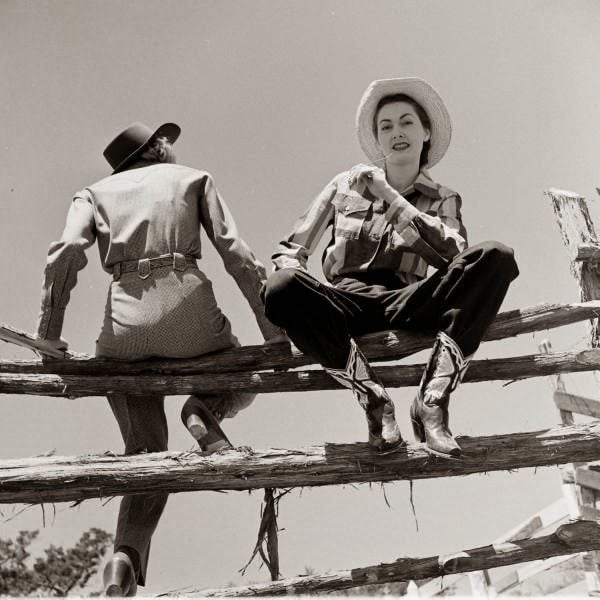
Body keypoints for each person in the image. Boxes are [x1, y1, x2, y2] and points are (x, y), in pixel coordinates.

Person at [35, 122, 283, 596]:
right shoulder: (192, 178)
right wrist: (273, 334)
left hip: (125, 329)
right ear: (158, 149)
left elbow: (66, 249)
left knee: (146, 453)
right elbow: (236, 253)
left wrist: (50, 333)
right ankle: (203, 409)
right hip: (189, 312)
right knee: (242, 369)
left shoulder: (92, 192)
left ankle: (123, 562)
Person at [262, 77, 519, 457]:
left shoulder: (444, 197)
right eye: (386, 126)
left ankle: (432, 399)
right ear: (378, 139)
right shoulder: (343, 186)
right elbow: (291, 250)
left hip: (411, 299)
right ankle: (373, 398)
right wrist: (300, 285)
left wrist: (388, 194)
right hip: (346, 301)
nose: (396, 133)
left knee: (497, 256)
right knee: (281, 286)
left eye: (406, 122)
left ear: (425, 131)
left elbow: (453, 255)